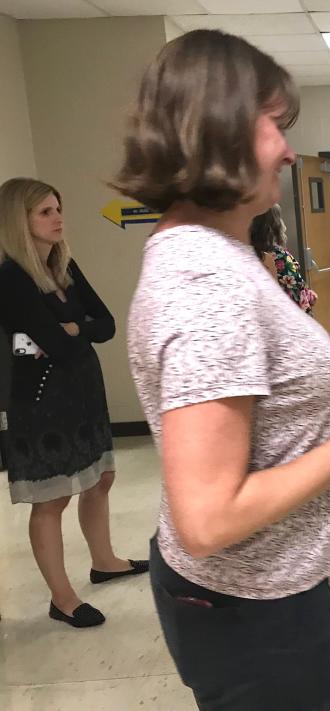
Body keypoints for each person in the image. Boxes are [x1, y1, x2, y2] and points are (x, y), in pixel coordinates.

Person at [115, 29, 330, 710]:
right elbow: (207, 515)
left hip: (254, 589)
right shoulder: (206, 282)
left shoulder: (210, 254)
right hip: (249, 606)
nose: (288, 149)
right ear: (218, 130)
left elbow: (250, 413)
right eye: (274, 125)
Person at [0, 178, 148, 629]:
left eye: (58, 208)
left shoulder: (63, 265)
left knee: (100, 478)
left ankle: (104, 561)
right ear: (18, 220)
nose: (58, 217)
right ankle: (61, 599)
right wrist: (68, 332)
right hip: (40, 400)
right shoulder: (12, 277)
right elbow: (53, 345)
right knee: (52, 499)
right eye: (45, 212)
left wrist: (68, 329)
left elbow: (104, 324)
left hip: (82, 391)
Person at [250, 204, 317, 314]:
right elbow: (297, 295)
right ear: (275, 225)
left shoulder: (246, 253)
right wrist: (310, 296)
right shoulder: (279, 257)